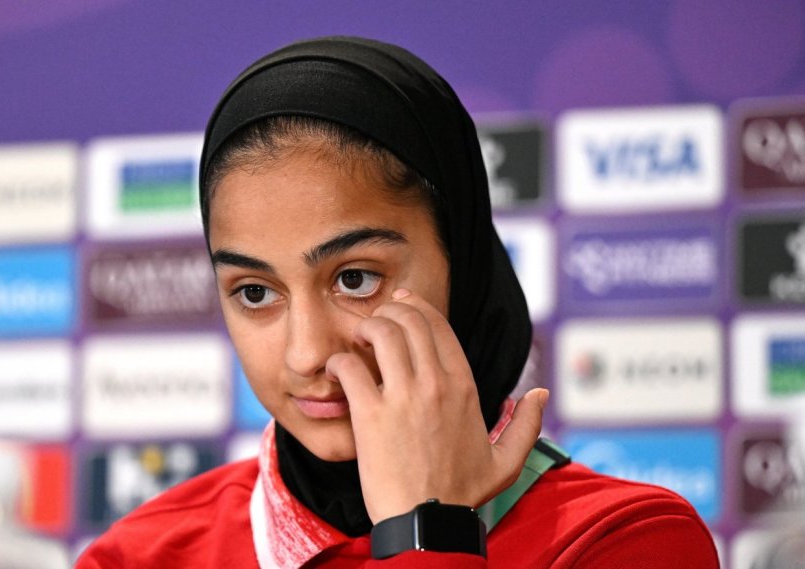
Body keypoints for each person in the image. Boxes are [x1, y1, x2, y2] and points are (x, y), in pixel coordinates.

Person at [76, 36, 719, 568]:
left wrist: (427, 530)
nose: (308, 353)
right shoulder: (139, 556)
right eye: (255, 292)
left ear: (460, 263)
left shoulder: (629, 541)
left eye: (355, 279)